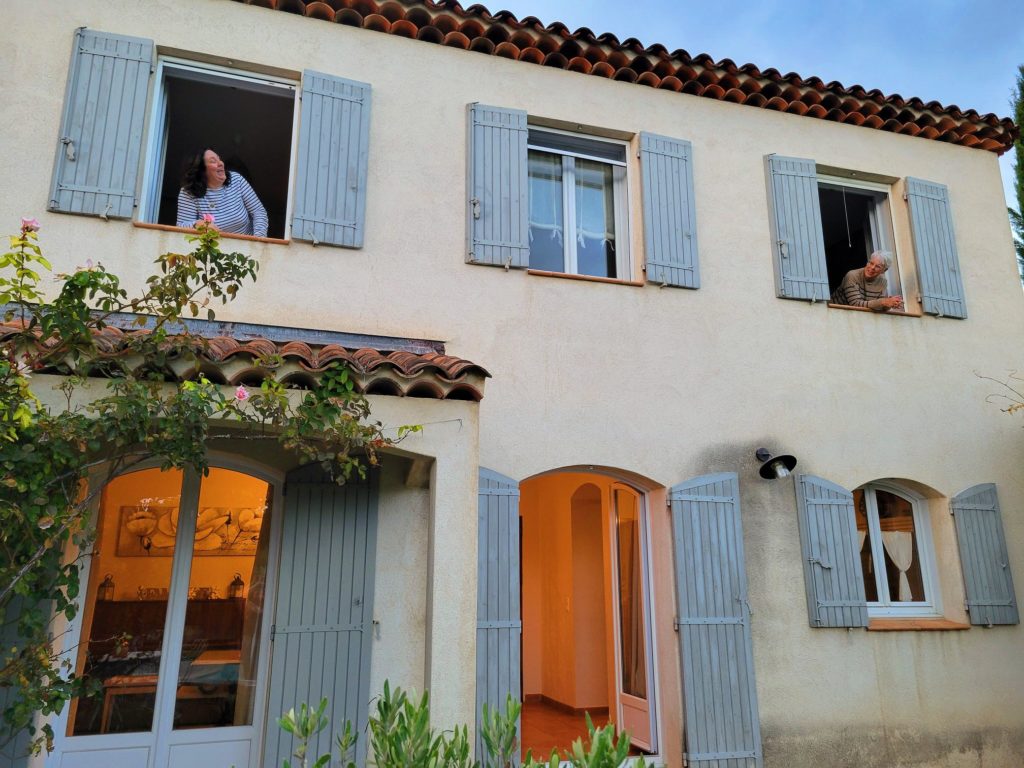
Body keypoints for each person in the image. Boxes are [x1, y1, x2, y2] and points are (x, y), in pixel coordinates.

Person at [176, 148, 268, 237]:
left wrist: (258, 240)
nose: (220, 163)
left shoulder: (236, 180)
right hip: (210, 249)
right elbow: (181, 226)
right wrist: (198, 224)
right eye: (213, 161)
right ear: (201, 170)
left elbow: (258, 212)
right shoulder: (189, 191)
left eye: (219, 159)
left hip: (246, 246)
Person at [831, 251, 904, 311]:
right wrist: (884, 302)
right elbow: (855, 304)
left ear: (884, 270)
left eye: (877, 266)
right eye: (871, 263)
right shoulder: (852, 275)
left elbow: (880, 308)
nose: (872, 267)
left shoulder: (882, 282)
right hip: (834, 313)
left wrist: (890, 304)